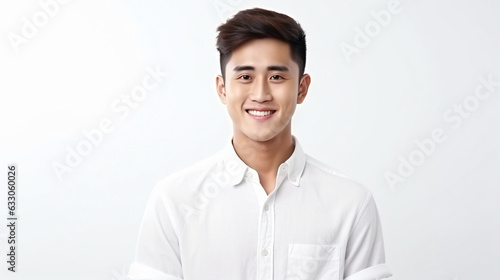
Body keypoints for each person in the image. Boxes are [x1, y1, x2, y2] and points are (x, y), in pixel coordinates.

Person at [127, 7, 392, 280]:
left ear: (301, 88)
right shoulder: (173, 200)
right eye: (245, 77)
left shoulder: (351, 203)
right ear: (222, 88)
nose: (261, 94)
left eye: (276, 77)